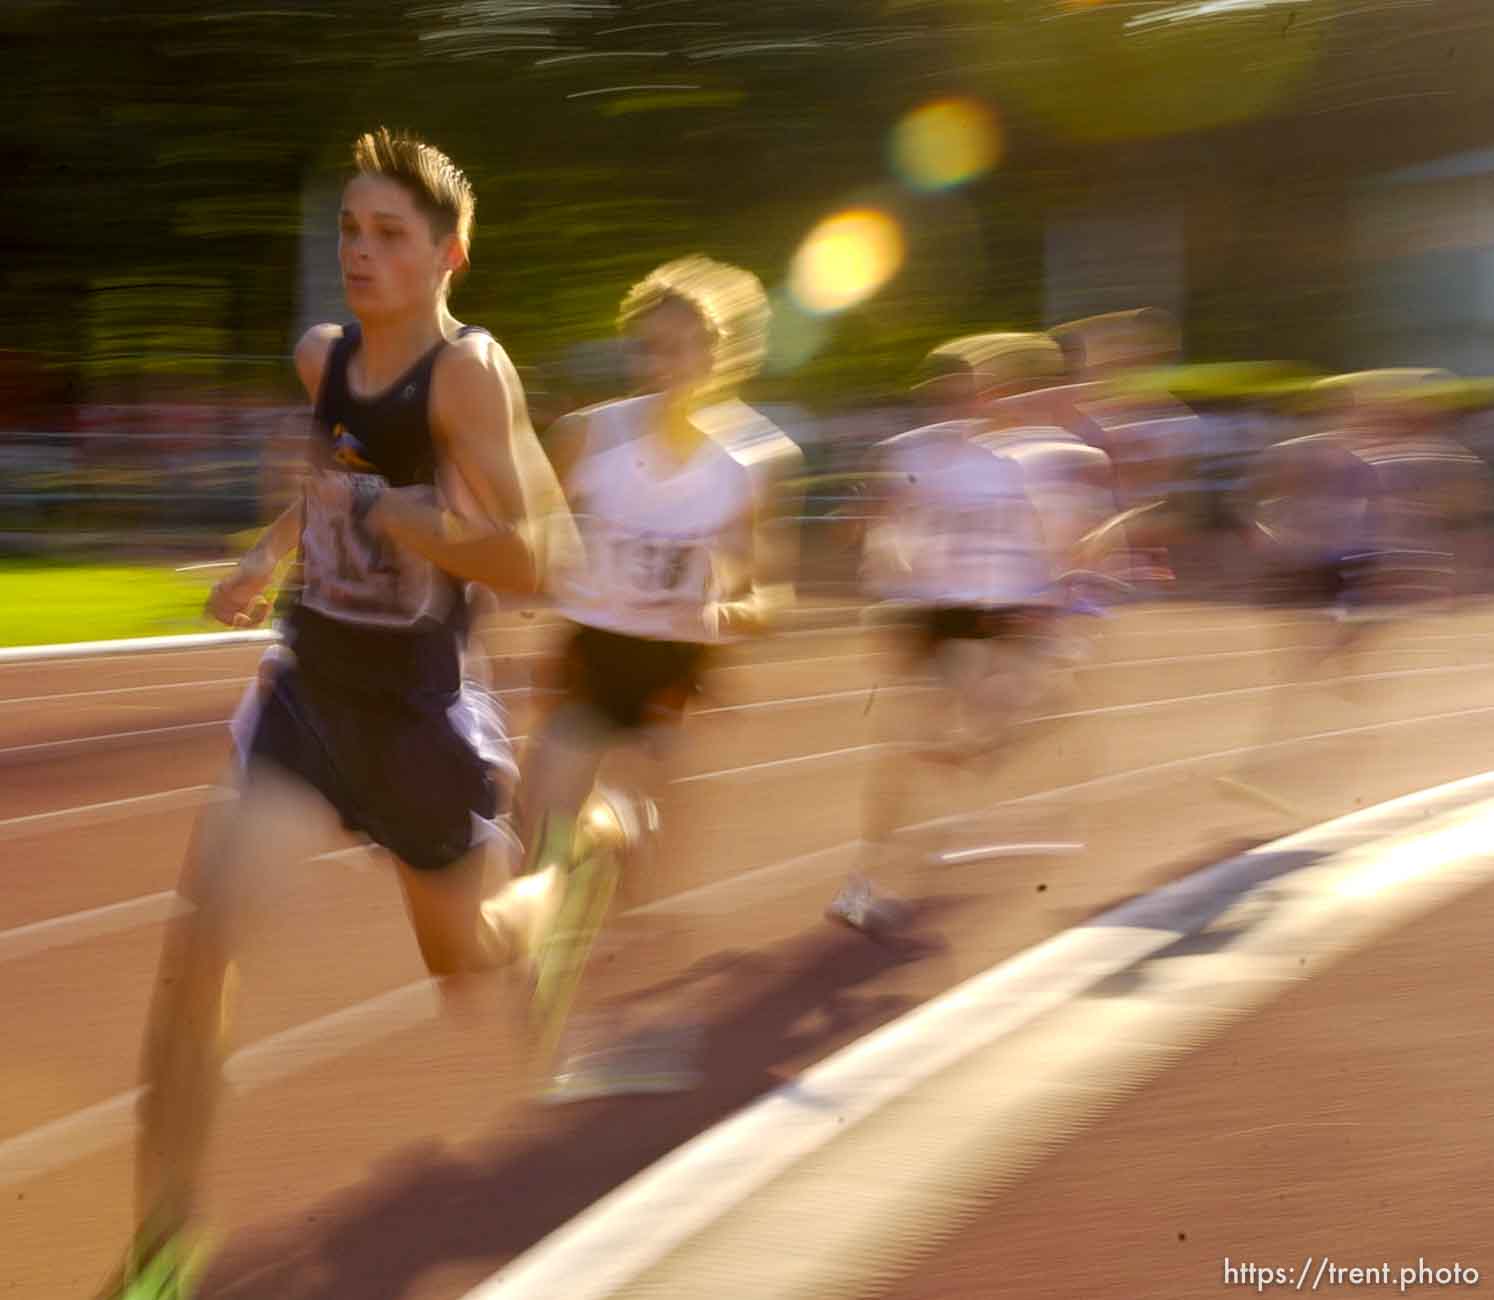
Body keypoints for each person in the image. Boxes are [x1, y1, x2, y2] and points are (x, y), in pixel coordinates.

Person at [99, 126, 570, 1299]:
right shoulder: (324, 356)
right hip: (308, 694)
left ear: (449, 253)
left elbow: (533, 558)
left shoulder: (469, 373)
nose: (360, 254)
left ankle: (570, 878)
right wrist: (269, 557)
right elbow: (331, 482)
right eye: (350, 231)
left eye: (389, 235)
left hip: (420, 717)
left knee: (467, 960)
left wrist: (414, 520)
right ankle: (163, 1246)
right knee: (200, 952)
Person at [507, 254, 799, 1096]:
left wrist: (736, 611)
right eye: (646, 349)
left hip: (675, 661)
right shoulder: (590, 434)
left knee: (641, 857)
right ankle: (582, 877)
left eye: (680, 349)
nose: (660, 365)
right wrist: (531, 572)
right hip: (592, 645)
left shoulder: (754, 458)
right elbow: (533, 529)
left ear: (720, 355)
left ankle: (612, 989)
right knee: (541, 821)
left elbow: (766, 586)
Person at [825, 334, 1060, 938]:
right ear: (932, 395)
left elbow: (1020, 538)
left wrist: (1035, 596)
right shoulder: (908, 454)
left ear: (984, 397)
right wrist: (865, 535)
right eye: (949, 392)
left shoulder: (1003, 466)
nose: (962, 403)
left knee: (998, 726)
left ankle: (937, 778)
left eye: (971, 393)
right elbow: (868, 524)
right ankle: (868, 879)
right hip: (926, 613)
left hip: (980, 612)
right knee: (912, 748)